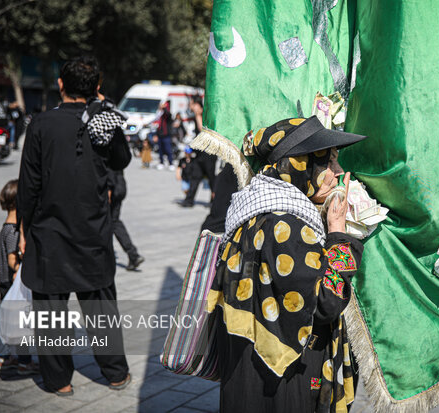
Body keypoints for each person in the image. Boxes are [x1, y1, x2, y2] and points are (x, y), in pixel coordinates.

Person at [208, 116, 367, 412]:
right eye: (329, 163)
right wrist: (337, 232)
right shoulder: (287, 225)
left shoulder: (253, 206)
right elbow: (327, 302)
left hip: (249, 366)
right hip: (286, 375)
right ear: (301, 165)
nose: (339, 172)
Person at [17, 56, 131, 396]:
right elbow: (122, 160)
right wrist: (104, 110)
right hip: (92, 230)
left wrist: (21, 230)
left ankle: (58, 381)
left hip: (48, 231)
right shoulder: (103, 121)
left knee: (49, 309)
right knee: (100, 306)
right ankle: (115, 373)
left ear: (61, 85)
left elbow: (28, 185)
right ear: (95, 88)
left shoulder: (40, 124)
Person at [0, 179, 39, 374]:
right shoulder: (13, 230)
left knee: (3, 319)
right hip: (11, 282)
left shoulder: (5, 227)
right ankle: (24, 362)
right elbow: (12, 260)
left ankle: (3, 357)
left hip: (3, 282)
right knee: (20, 323)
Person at [107, 168, 144, 271]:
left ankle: (133, 254)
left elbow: (109, 170)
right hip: (120, 185)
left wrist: (108, 191)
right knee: (113, 222)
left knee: (111, 222)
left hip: (112, 189)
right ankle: (133, 255)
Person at [181, 99, 216, 206]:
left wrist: (197, 116)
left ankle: (215, 201)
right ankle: (189, 200)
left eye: (194, 104)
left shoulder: (206, 118)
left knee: (211, 179)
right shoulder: (194, 118)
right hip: (199, 154)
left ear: (201, 107)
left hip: (209, 154)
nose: (192, 107)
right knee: (195, 177)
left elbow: (202, 131)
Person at [155, 101, 174, 170]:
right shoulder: (159, 115)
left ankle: (171, 163)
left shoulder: (168, 115)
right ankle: (161, 163)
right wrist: (156, 135)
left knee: (168, 150)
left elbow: (168, 113)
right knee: (160, 150)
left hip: (166, 135)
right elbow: (157, 125)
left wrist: (164, 107)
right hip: (160, 135)